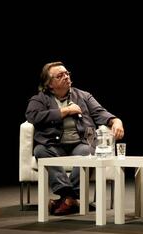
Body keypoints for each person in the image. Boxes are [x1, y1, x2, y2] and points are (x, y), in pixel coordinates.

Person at [25, 61, 124, 216]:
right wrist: (65, 111)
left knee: (87, 152)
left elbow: (101, 113)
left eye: (67, 73)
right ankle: (71, 197)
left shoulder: (83, 96)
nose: (66, 77)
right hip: (52, 145)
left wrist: (116, 121)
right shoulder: (40, 99)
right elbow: (33, 116)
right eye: (60, 75)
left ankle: (68, 200)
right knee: (40, 150)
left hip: (80, 143)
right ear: (49, 84)